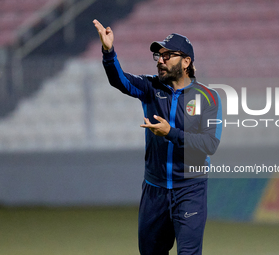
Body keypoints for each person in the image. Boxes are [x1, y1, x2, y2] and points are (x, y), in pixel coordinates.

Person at [93, 19, 222, 255]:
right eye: (158, 56)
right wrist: (108, 51)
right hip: (154, 191)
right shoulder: (150, 87)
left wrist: (170, 133)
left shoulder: (208, 98)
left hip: (190, 189)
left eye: (167, 55)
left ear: (186, 62)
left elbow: (209, 144)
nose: (160, 61)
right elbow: (119, 80)